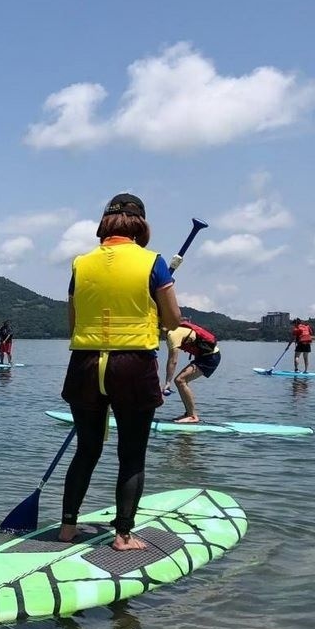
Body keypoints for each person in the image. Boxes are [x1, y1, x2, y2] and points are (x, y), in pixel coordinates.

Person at [59, 193, 181, 551]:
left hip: (84, 363)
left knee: (87, 449)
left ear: (105, 224)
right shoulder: (153, 263)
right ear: (140, 225)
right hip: (133, 365)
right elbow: (173, 320)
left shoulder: (80, 264)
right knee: (131, 454)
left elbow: (74, 321)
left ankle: (67, 528)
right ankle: (124, 535)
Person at [163, 318, 221, 423]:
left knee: (180, 380)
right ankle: (189, 414)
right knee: (180, 380)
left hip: (210, 357)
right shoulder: (173, 331)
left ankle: (193, 416)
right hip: (205, 356)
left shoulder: (172, 334)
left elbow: (173, 361)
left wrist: (167, 382)